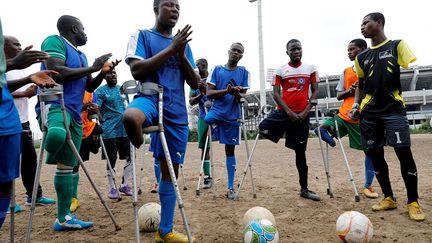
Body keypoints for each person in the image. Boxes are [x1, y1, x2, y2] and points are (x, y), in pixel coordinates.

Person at [123, 0, 200, 241]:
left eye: (177, 6)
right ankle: (139, 143)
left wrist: (181, 53)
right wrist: (171, 48)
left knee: (170, 173)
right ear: (156, 9)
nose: (175, 9)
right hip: (149, 96)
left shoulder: (183, 45)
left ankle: (165, 231)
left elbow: (196, 82)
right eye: (168, 4)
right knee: (130, 118)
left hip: (176, 108)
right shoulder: (143, 35)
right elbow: (136, 70)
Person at [37, 15, 119, 231]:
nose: (85, 33)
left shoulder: (81, 55)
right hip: (55, 105)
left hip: (74, 114)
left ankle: (63, 219)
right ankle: (50, 147)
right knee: (56, 136)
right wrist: (93, 67)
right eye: (83, 29)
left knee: (67, 166)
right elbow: (58, 73)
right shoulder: (55, 41)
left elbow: (88, 87)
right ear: (74, 28)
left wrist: (102, 73)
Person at [349, 12, 425, 221]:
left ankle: (413, 202)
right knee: (375, 155)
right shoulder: (361, 57)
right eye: (361, 24)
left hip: (393, 110)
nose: (362, 27)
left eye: (366, 23)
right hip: (369, 113)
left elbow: (409, 68)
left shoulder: (397, 45)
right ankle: (389, 198)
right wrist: (356, 104)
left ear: (379, 23)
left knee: (404, 154)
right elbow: (361, 85)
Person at [0, 17, 57, 230]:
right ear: (3, 46)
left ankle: (33, 195)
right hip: (7, 122)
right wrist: (24, 89)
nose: (20, 47)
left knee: (23, 163)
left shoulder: (17, 70)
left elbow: (8, 86)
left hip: (18, 121)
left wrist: (30, 82)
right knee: (12, 167)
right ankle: (16, 202)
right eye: (15, 44)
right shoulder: (9, 66)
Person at [314, 39, 378, 199]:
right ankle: (325, 134)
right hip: (345, 115)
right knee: (323, 127)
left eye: (352, 49)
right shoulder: (346, 71)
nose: (349, 52)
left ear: (363, 49)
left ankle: (368, 185)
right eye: (348, 50)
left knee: (370, 153)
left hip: (364, 118)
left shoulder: (374, 68)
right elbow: (339, 95)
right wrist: (350, 90)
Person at [258, 39, 321, 201]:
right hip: (284, 113)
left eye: (298, 49)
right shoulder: (280, 70)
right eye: (292, 49)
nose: (296, 52)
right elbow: (276, 94)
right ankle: (284, 134)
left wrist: (305, 113)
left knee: (300, 153)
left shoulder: (311, 68)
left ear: (302, 50)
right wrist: (290, 113)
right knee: (262, 127)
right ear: (287, 52)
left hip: (302, 115)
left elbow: (315, 92)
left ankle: (304, 189)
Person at [204, 43, 250, 199]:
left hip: (232, 114)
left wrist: (236, 93)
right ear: (228, 51)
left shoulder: (244, 72)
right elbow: (208, 93)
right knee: (207, 118)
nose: (236, 53)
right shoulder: (217, 70)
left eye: (239, 52)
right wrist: (227, 91)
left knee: (230, 150)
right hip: (217, 111)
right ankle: (217, 130)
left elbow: (243, 96)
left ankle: (230, 188)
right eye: (234, 50)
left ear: (242, 55)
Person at [95, 69, 133, 199]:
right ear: (104, 76)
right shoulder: (100, 91)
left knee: (130, 157)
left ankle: (125, 184)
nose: (112, 75)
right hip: (109, 131)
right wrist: (99, 119)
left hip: (125, 130)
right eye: (109, 73)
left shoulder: (122, 89)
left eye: (114, 73)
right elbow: (97, 108)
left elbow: (127, 106)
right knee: (111, 159)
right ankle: (112, 188)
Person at [72, 91, 101, 212]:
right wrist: (82, 107)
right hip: (73, 126)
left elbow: (99, 116)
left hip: (89, 129)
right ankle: (73, 198)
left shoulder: (92, 93)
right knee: (74, 164)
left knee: (78, 162)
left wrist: (95, 112)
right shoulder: (72, 89)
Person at [189, 58, 213, 189]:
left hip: (216, 116)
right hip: (203, 117)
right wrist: (201, 94)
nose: (196, 69)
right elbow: (191, 101)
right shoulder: (194, 83)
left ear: (204, 65)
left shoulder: (213, 79)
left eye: (197, 66)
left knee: (229, 145)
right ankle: (207, 177)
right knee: (205, 148)